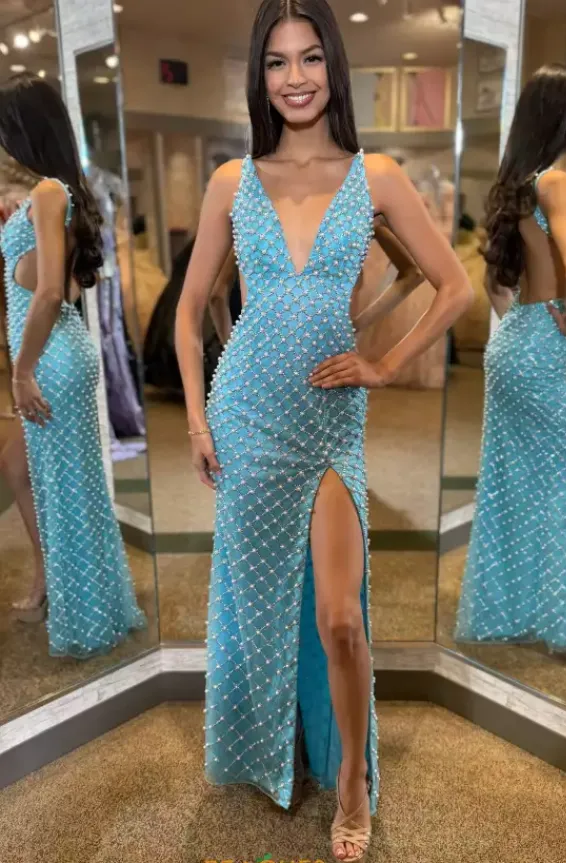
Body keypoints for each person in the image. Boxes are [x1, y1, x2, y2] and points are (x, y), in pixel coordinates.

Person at [175, 2, 472, 859]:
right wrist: (195, 416)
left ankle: (351, 782)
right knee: (262, 601)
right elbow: (190, 312)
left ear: (334, 66)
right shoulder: (232, 181)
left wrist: (382, 359)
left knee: (341, 615)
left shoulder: (376, 175)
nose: (295, 78)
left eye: (310, 58)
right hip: (246, 414)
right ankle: (280, 748)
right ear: (259, 76)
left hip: (330, 424)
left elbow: (451, 284)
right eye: (277, 62)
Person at [455, 65, 566, 661]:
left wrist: (531, 321)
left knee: (516, 483)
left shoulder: (517, 187)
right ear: (565, 120)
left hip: (513, 344)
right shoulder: (558, 183)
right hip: (542, 349)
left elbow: (497, 283)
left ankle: (521, 609)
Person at [0, 73, 146, 656]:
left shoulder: (48, 193)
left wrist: (21, 372)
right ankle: (50, 579)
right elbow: (54, 281)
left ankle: (83, 609)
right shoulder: (57, 191)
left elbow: (49, 293)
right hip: (57, 349)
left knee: (66, 487)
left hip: (49, 355)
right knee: (20, 466)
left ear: (25, 130)